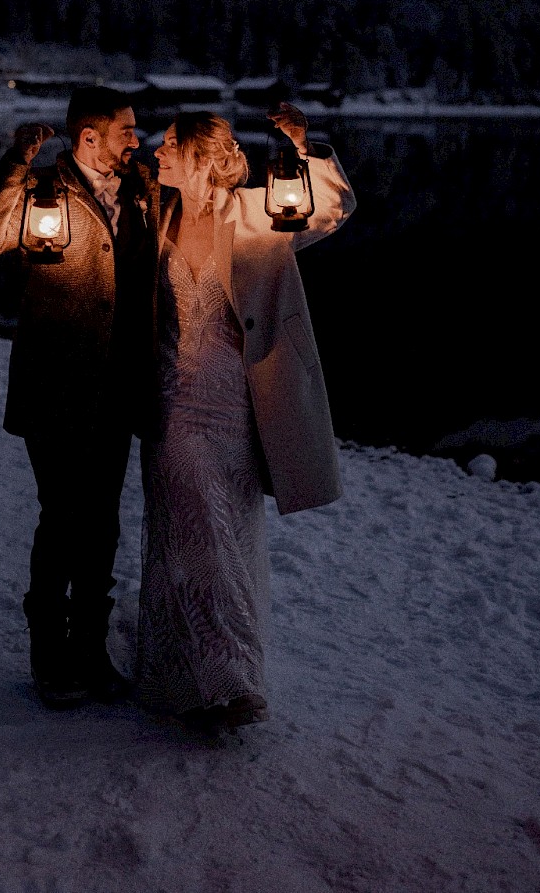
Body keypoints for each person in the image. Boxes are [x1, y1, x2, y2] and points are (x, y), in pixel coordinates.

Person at [137, 103, 355, 734]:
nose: (158, 155)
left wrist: (303, 147)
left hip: (238, 402)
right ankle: (223, 680)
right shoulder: (157, 213)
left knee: (226, 532)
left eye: (170, 147)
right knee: (192, 531)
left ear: (201, 157)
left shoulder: (257, 211)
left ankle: (212, 672)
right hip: (173, 402)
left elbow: (332, 210)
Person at [0, 86, 160, 709]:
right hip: (55, 385)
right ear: (89, 136)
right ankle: (49, 656)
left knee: (104, 522)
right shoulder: (42, 188)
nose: (137, 138)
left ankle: (91, 647)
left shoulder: (141, 186)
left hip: (116, 388)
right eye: (126, 129)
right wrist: (13, 166)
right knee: (62, 517)